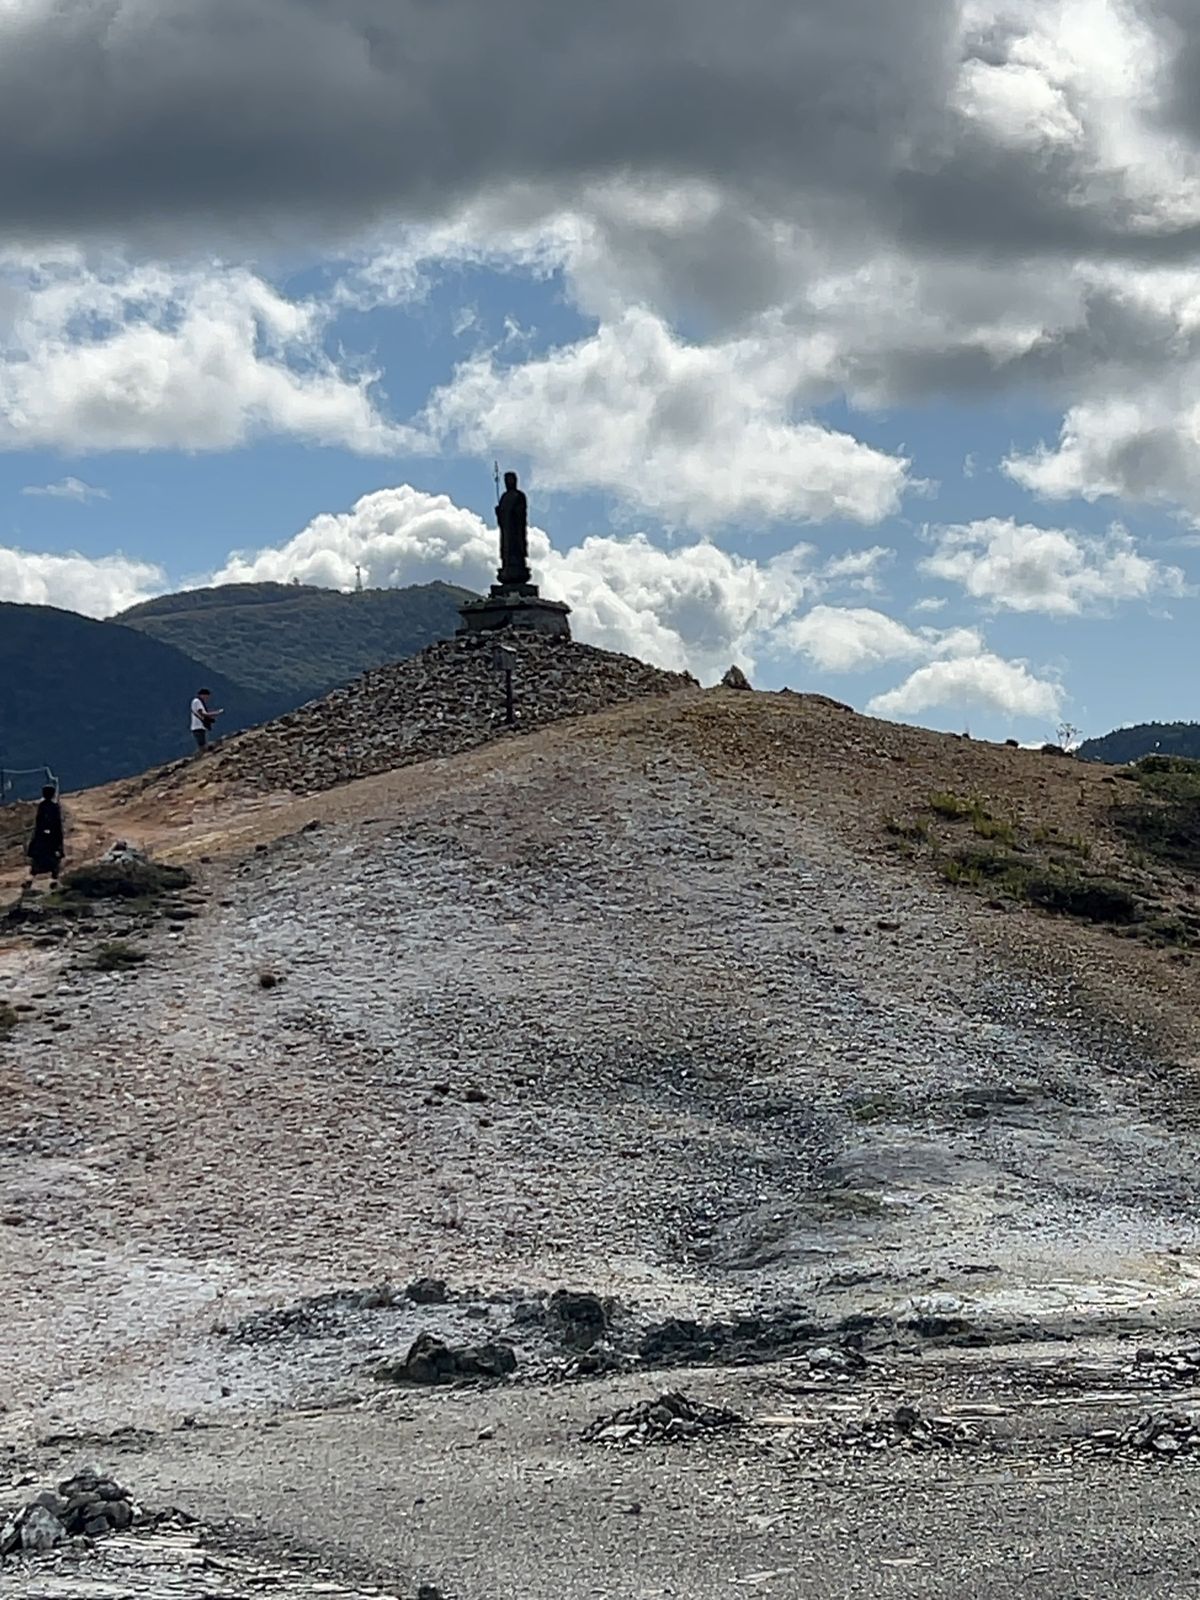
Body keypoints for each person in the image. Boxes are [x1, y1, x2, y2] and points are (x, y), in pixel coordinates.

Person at [26, 785, 64, 886]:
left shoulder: (41, 806)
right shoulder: (54, 807)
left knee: (37, 860)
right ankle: (53, 880)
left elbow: (38, 823)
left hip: (41, 837)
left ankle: (30, 879)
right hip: (52, 838)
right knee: (54, 860)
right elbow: (57, 823)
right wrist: (59, 841)